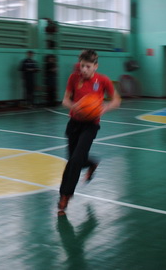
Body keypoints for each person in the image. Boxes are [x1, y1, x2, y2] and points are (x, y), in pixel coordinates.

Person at [57, 49, 121, 216]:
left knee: (75, 160)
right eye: (82, 66)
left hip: (90, 125)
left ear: (95, 66)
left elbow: (116, 100)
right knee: (74, 158)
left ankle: (65, 195)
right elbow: (65, 100)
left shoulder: (103, 80)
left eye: (87, 66)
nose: (84, 69)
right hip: (74, 123)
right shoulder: (73, 78)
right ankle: (91, 163)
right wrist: (75, 106)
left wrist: (105, 108)